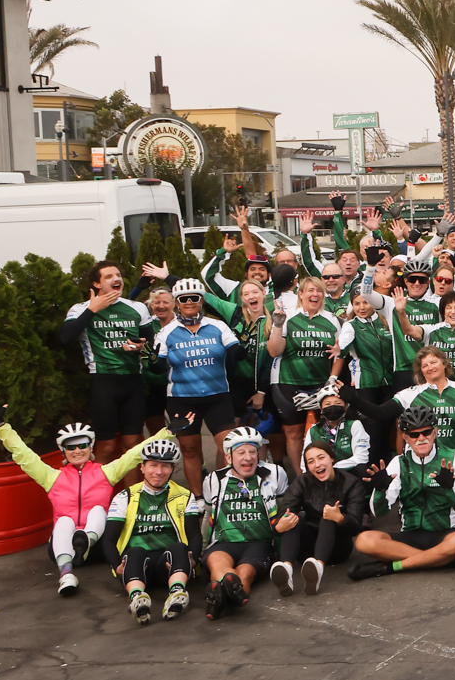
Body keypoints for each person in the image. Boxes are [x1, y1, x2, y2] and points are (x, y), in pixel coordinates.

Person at [0, 395, 172, 595]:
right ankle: (66, 575)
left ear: (91, 447)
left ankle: (86, 542)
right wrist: (0, 425)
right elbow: (22, 454)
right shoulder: (52, 477)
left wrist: (168, 432)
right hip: (65, 548)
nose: (77, 450)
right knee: (64, 521)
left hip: (100, 546)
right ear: (63, 451)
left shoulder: (105, 472)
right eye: (71, 447)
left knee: (98, 510)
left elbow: (135, 453)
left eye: (82, 444)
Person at [349, 406, 455, 580]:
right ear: (405, 437)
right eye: (414, 435)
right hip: (410, 534)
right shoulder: (399, 463)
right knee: (363, 540)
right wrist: (379, 491)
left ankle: (391, 567)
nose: (421, 438)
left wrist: (449, 489)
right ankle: (443, 560)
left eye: (426, 432)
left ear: (435, 432)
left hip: (446, 532)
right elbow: (379, 513)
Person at [59, 260, 158, 463]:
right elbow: (64, 338)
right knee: (106, 447)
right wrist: (93, 310)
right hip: (103, 382)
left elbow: (152, 344)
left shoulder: (137, 307)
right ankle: (99, 494)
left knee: (132, 446)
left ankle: (130, 495)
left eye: (118, 276)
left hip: (133, 382)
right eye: (109, 276)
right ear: (96, 284)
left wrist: (140, 348)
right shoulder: (81, 309)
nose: (116, 279)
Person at [153, 277, 244, 490]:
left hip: (217, 396)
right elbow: (157, 368)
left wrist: (243, 345)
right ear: (176, 302)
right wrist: (152, 361)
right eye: (184, 299)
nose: (189, 302)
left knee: (228, 447)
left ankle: (225, 491)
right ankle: (197, 498)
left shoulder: (218, 326)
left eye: (194, 298)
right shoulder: (166, 332)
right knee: (190, 449)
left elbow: (235, 354)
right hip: (182, 399)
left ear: (201, 300)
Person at [104, 435, 203, 624]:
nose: (159, 471)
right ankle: (137, 597)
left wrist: (193, 559)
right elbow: (109, 539)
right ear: (142, 467)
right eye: (153, 465)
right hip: (137, 566)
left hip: (170, 565)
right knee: (135, 551)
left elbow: (194, 535)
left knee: (180, 547)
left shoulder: (184, 496)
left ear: (172, 469)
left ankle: (177, 593)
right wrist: (116, 566)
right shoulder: (125, 497)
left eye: (165, 466)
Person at [201, 426, 290, 620]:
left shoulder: (275, 473)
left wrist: (284, 556)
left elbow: (285, 510)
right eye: (241, 452)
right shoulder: (213, 480)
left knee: (245, 573)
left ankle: (217, 600)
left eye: (252, 452)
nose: (248, 457)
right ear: (228, 458)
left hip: (259, 543)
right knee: (218, 564)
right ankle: (227, 595)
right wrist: (201, 550)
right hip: (224, 543)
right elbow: (208, 517)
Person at [270, 440, 371, 596]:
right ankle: (286, 569)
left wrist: (340, 518)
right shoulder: (302, 481)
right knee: (293, 517)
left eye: (321, 458)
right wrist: (279, 526)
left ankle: (317, 569)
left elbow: (356, 526)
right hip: (307, 549)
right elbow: (285, 511)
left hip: (338, 548)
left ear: (332, 458)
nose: (317, 464)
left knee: (328, 515)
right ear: (307, 467)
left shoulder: (351, 483)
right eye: (311, 461)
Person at [267, 276, 346, 474]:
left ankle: (323, 473)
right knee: (293, 432)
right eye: (310, 290)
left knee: (323, 431)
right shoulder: (288, 317)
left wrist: (331, 380)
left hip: (321, 384)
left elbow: (340, 353)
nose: (315, 294)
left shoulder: (332, 320)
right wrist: (277, 326)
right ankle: (300, 477)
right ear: (300, 294)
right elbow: (274, 351)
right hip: (288, 381)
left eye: (319, 290)